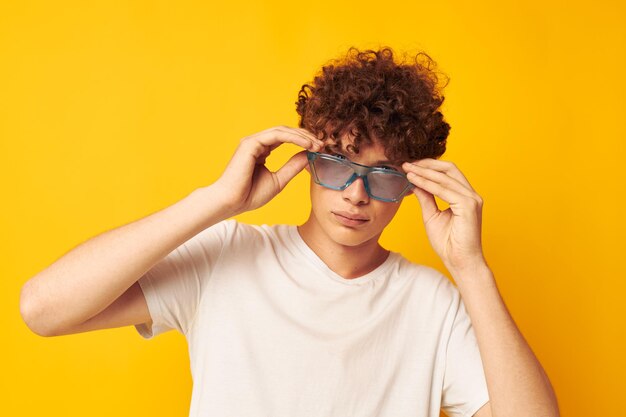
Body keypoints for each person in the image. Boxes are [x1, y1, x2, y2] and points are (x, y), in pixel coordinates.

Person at [19, 47, 559, 417]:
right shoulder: (226, 256)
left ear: (414, 182)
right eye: (338, 163)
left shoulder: (433, 303)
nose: (355, 194)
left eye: (384, 176)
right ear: (305, 156)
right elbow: (43, 309)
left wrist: (472, 270)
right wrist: (214, 202)